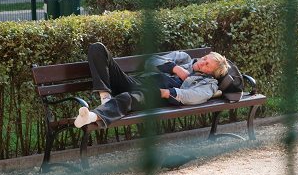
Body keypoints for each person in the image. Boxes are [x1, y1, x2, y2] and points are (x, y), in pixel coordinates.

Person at [74, 42, 230, 128]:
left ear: (212, 73)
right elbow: (150, 61)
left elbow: (194, 96)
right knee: (98, 48)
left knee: (127, 98)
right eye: (204, 59)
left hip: (157, 94)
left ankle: (92, 116)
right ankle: (105, 97)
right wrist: (175, 68)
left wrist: (165, 93)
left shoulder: (209, 83)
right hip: (137, 82)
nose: (202, 63)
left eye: (207, 65)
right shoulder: (183, 58)